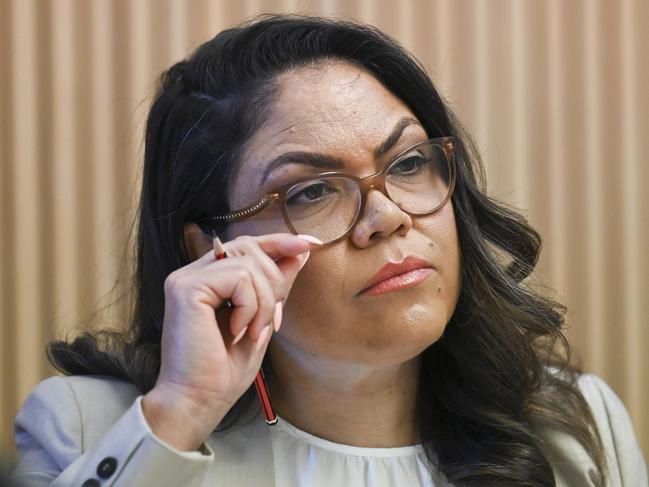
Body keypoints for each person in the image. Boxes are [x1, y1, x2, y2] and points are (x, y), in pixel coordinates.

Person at [9, 13, 648, 487]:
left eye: (409, 164)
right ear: (213, 248)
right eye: (313, 190)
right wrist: (179, 415)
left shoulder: (577, 426)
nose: (388, 217)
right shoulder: (87, 429)